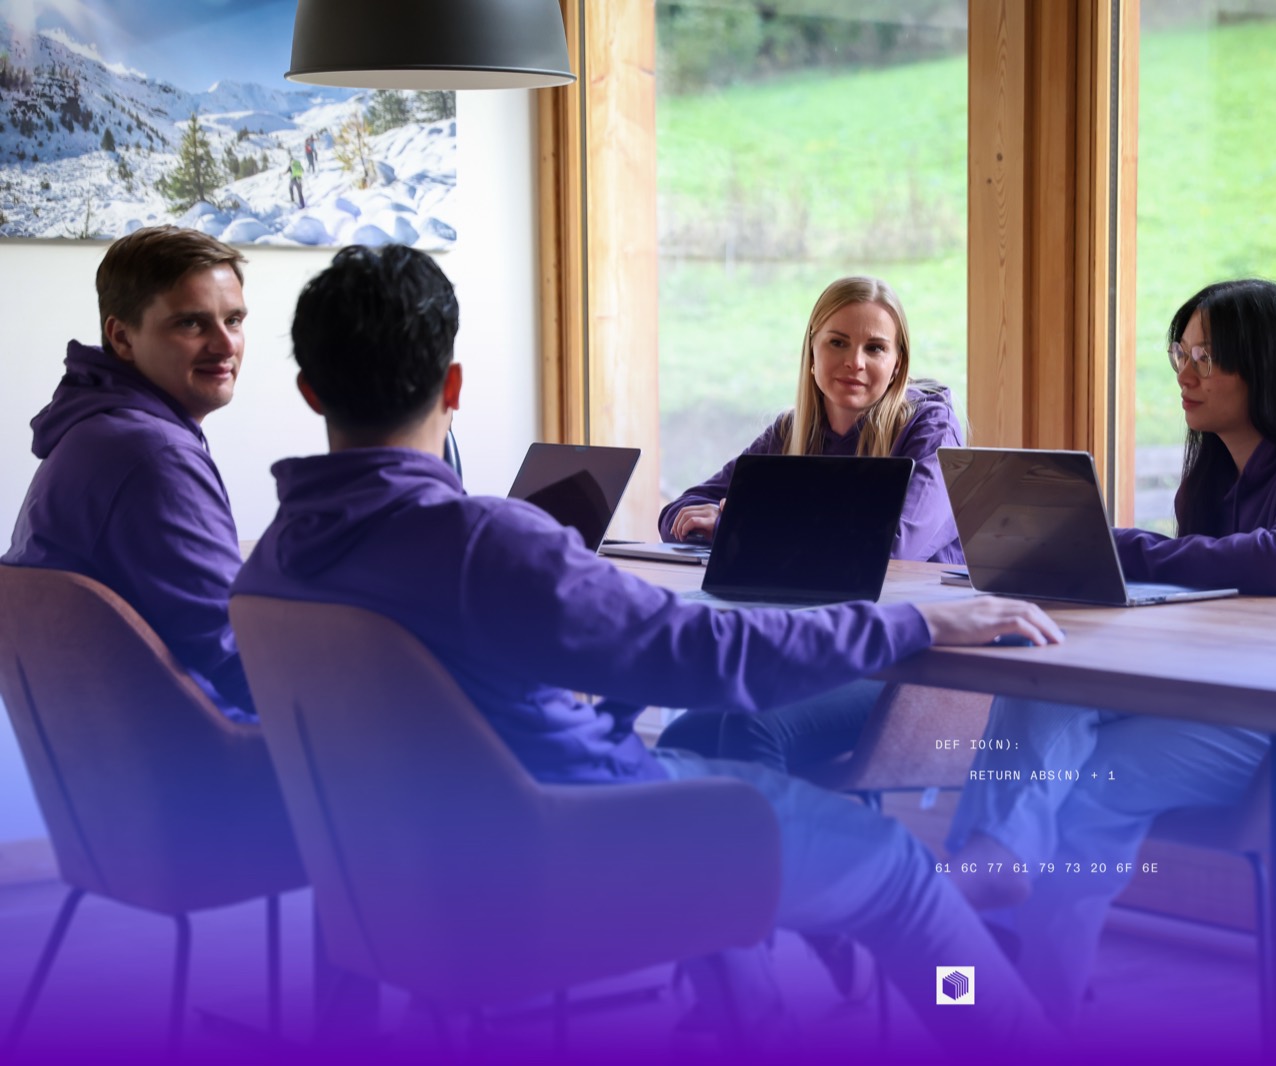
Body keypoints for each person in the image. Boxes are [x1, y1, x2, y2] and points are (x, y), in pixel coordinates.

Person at [232, 245, 1066, 1053]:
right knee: (897, 871)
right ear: (453, 385)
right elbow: (710, 652)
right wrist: (916, 622)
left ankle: (753, 1025)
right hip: (582, 845)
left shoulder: (272, 560)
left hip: (413, 860)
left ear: (309, 391)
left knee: (717, 762)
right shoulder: (483, 542)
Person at [943, 278, 1276, 1019]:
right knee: (1045, 679)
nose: (1186, 371)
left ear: (1269, 366)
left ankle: (1020, 1001)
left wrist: (1125, 551)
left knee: (1087, 794)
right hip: (1230, 696)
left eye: (1209, 356)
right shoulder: (1220, 477)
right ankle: (997, 865)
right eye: (1182, 351)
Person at [654, 275, 964, 778]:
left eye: (875, 347)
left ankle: (782, 854)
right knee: (680, 737)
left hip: (909, 659)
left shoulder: (929, 428)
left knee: (750, 727)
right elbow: (684, 510)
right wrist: (710, 520)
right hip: (815, 641)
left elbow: (894, 543)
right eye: (837, 342)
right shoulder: (794, 430)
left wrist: (746, 521)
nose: (854, 362)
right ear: (812, 350)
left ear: (897, 363)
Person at [4, 225, 255, 719]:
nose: (226, 345)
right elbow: (236, 661)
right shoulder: (154, 455)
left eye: (234, 319)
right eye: (191, 324)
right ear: (122, 336)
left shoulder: (98, 430)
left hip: (124, 760)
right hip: (211, 761)